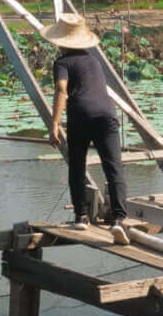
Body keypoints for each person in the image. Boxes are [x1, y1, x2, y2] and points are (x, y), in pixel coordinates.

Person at [44, 14, 129, 243]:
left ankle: (81, 217)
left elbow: (62, 90)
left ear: (60, 42)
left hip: (81, 114)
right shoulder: (94, 60)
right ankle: (119, 220)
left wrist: (54, 124)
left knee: (77, 165)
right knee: (113, 167)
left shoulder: (62, 63)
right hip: (107, 114)